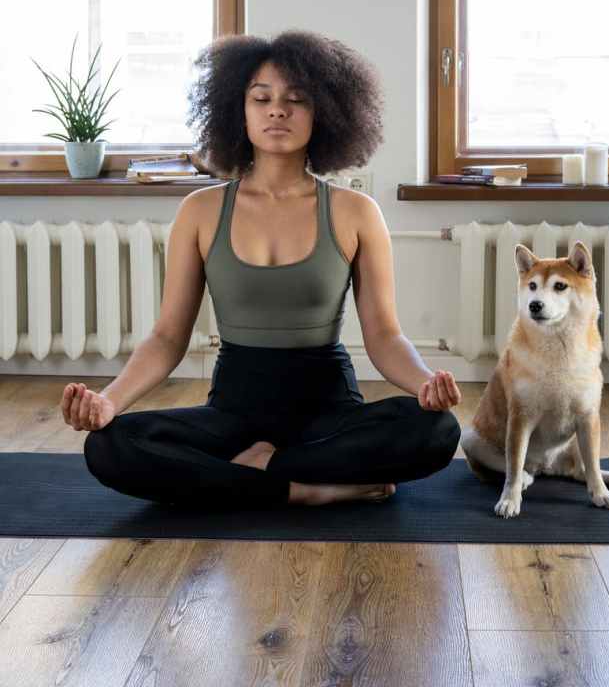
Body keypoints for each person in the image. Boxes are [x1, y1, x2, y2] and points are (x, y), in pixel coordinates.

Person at [61, 29, 462, 510]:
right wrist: (108, 401)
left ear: (326, 114)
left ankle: (256, 473)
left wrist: (423, 385)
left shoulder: (356, 212)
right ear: (239, 110)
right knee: (108, 445)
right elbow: (168, 337)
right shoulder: (200, 210)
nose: (277, 110)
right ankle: (304, 487)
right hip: (233, 410)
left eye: (296, 99)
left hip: (327, 410)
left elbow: (384, 337)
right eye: (261, 98)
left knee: (437, 430)